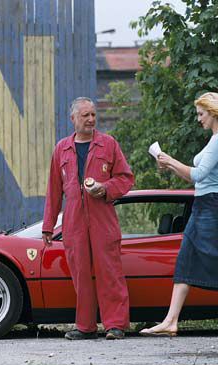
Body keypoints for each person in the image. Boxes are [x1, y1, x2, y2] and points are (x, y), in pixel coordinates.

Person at [140, 92, 218, 338]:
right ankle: (171, 321)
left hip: (215, 207)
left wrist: (171, 159)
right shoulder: (214, 140)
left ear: (213, 112)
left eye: (200, 114)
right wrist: (169, 164)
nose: (198, 119)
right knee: (184, 260)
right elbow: (191, 178)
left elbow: (198, 174)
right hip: (203, 204)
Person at [42, 97, 134, 340]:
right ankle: (85, 326)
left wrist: (105, 188)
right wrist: (48, 227)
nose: (91, 119)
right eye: (86, 116)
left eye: (93, 115)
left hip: (103, 219)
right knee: (80, 274)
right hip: (74, 222)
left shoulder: (108, 144)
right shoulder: (61, 148)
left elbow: (126, 178)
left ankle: (115, 325)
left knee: (110, 272)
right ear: (73, 119)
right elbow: (53, 191)